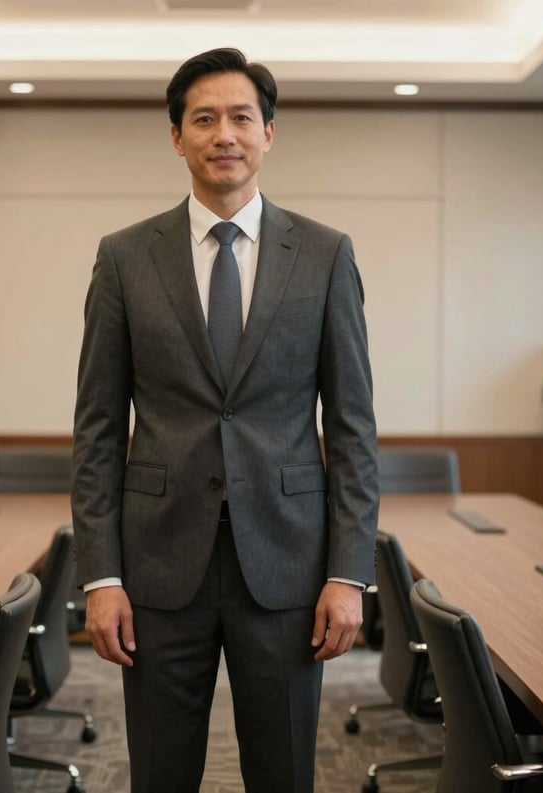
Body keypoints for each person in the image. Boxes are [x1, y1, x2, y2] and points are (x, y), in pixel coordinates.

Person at [71, 47, 378, 793]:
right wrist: (101, 576)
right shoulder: (123, 259)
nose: (224, 134)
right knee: (161, 774)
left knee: (283, 774)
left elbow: (352, 428)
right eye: (203, 119)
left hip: (288, 569)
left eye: (242, 116)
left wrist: (349, 573)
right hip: (155, 570)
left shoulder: (326, 255)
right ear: (177, 136)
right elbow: (99, 432)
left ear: (270, 131)